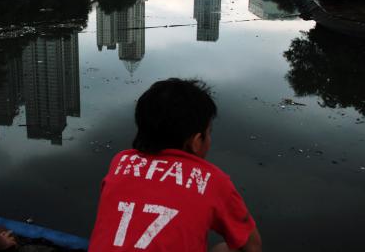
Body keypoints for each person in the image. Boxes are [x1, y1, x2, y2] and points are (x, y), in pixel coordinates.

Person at [89, 79, 262, 252]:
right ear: (196, 142)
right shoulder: (213, 181)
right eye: (208, 133)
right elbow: (253, 247)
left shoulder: (121, 162)